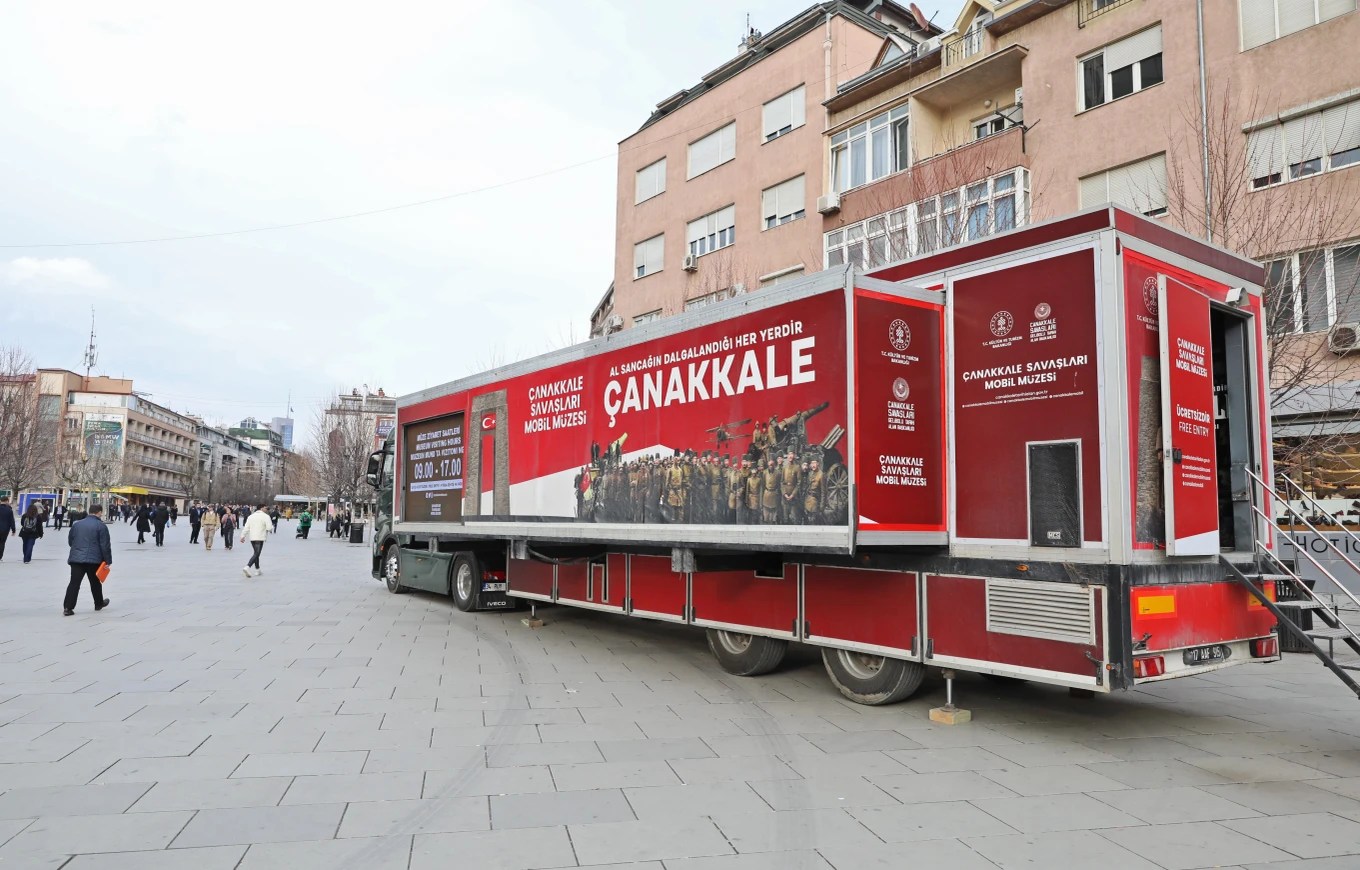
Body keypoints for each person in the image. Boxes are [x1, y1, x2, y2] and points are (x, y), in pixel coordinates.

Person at [64, 504, 111, 616]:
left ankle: (68, 608)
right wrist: (107, 560)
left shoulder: (77, 524)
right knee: (95, 582)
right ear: (99, 512)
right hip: (94, 559)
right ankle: (98, 603)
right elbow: (105, 545)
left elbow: (71, 541)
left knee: (74, 583)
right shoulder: (101, 526)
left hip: (76, 559)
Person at [242, 504, 271, 577]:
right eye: (265, 508)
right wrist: (271, 527)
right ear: (261, 508)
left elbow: (246, 527)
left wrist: (243, 536)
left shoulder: (251, 516)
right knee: (257, 553)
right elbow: (269, 528)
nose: (266, 509)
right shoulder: (266, 516)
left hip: (252, 537)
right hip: (260, 537)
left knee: (256, 553)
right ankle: (248, 566)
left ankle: (257, 569)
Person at [0, 496, 14, 562]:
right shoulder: (9, 510)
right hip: (5, 529)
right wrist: (13, 529)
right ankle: (0, 557)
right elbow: (12, 520)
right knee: (2, 543)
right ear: (6, 501)